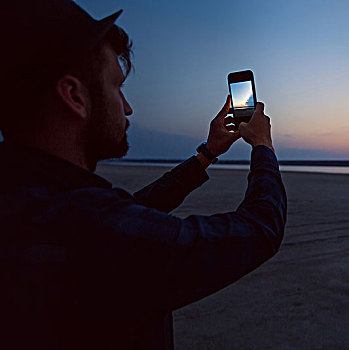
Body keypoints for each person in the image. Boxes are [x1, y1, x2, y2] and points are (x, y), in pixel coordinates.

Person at [0, 1, 286, 349]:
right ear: (74, 96)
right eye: (116, 86)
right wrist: (263, 146)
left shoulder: (29, 198)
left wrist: (207, 153)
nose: (128, 106)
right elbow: (260, 230)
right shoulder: (87, 228)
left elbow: (132, 211)